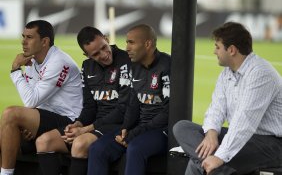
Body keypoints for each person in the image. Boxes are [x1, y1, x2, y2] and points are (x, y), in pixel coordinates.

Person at [173, 22, 282, 175]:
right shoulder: (226, 73)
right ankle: (222, 172)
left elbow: (244, 122)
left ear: (231, 50)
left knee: (197, 159)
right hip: (243, 137)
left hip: (271, 145)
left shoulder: (261, 74)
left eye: (217, 47)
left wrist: (219, 157)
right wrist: (211, 134)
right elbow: (216, 109)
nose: (214, 52)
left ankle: (220, 170)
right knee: (182, 128)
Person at [35, 26, 131, 175]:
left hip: (118, 124)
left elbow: (123, 109)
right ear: (86, 55)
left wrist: (85, 129)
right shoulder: (87, 67)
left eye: (104, 48)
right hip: (95, 124)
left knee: (80, 144)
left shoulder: (127, 61)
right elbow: (89, 106)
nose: (104, 55)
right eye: (96, 54)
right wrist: (78, 124)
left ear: (106, 39)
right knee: (44, 142)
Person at [0, 20, 83, 175]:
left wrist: (15, 70)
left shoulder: (59, 62)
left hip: (70, 120)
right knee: (4, 131)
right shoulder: (33, 61)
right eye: (23, 36)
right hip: (49, 116)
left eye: (29, 37)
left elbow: (30, 100)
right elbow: (34, 103)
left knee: (10, 113)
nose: (23, 42)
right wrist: (29, 124)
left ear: (44, 41)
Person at [87, 24, 171, 175]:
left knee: (135, 148)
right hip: (138, 128)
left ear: (147, 44)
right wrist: (126, 128)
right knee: (97, 149)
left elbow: (168, 111)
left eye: (131, 42)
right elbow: (133, 103)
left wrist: (136, 132)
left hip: (162, 131)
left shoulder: (167, 66)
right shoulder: (134, 66)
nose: (126, 48)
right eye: (126, 43)